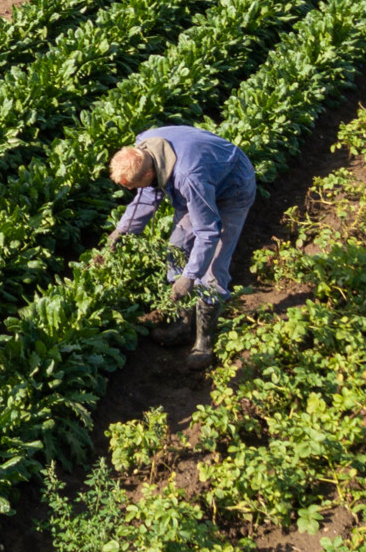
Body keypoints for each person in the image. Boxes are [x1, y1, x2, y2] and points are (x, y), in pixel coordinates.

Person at [106, 125, 258, 370]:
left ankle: (203, 342)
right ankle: (184, 324)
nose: (132, 191)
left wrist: (189, 276)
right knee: (177, 248)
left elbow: (207, 232)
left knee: (211, 268)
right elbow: (146, 196)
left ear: (148, 174)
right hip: (206, 177)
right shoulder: (145, 145)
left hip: (233, 188)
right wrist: (122, 231)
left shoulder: (189, 177)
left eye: (133, 186)